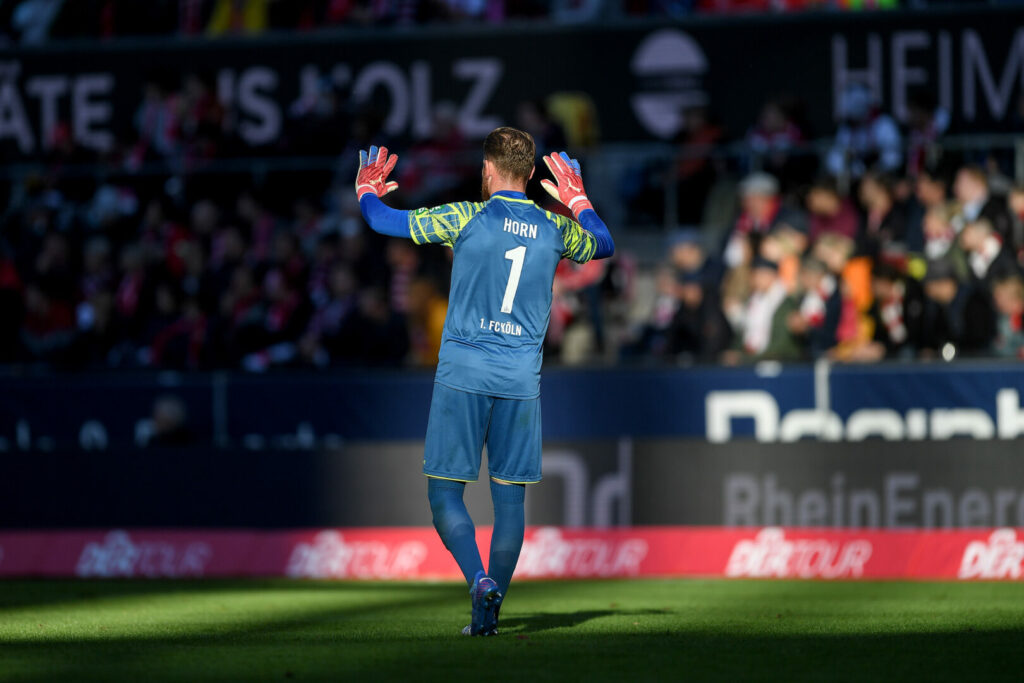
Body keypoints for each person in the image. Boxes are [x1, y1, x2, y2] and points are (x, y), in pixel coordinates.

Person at [354, 130, 613, 636]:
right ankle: (489, 609)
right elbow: (603, 244)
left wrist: (366, 189)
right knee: (510, 503)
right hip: (521, 379)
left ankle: (478, 580)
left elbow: (383, 220)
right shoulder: (553, 228)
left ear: (489, 171)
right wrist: (579, 201)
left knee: (446, 497)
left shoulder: (466, 216)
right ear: (532, 173)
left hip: (463, 374)